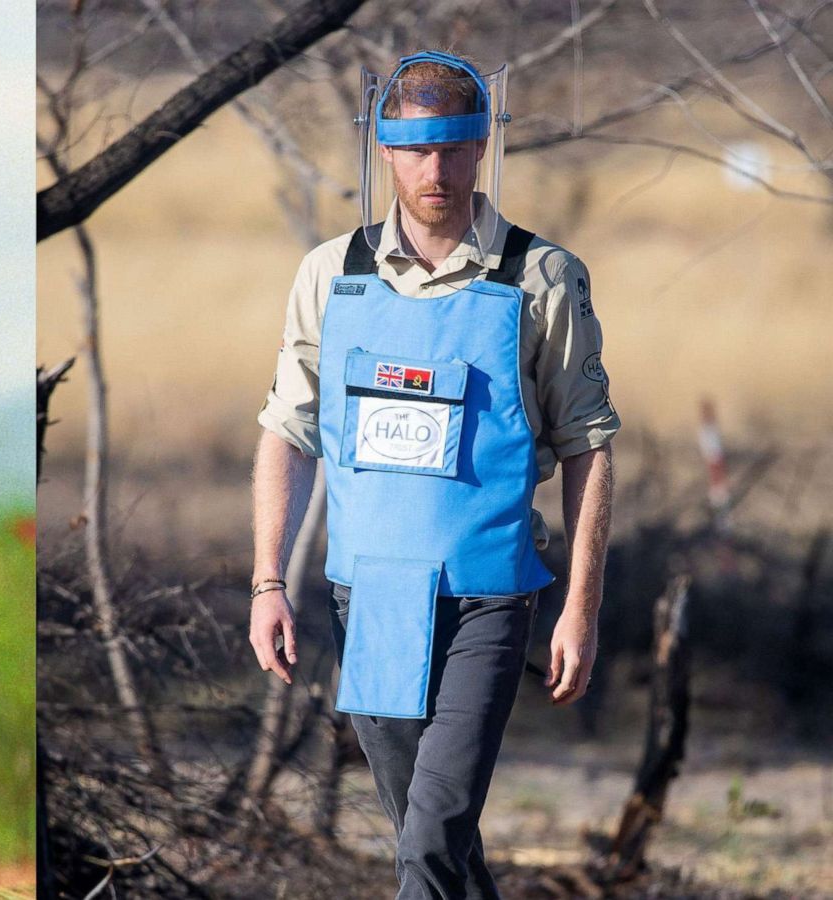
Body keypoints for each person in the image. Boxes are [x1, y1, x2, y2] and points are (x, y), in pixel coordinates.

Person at [249, 50, 617, 899]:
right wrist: (270, 580)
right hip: (368, 596)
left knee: (429, 839)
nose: (436, 170)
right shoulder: (331, 275)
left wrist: (580, 609)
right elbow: (287, 432)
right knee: (433, 840)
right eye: (417, 149)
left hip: (489, 597)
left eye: (455, 148)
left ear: (483, 146)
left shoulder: (540, 276)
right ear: (385, 150)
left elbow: (589, 445)